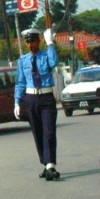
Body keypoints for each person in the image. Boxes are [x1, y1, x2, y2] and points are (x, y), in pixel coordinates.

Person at [14, 28, 61, 181]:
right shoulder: (23, 61)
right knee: (38, 133)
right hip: (31, 98)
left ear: (38, 41)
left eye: (32, 41)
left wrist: (50, 44)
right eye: (27, 42)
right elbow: (20, 82)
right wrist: (17, 101)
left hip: (46, 97)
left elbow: (54, 63)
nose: (30, 45)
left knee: (49, 131)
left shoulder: (46, 56)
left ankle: (51, 165)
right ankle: (45, 163)